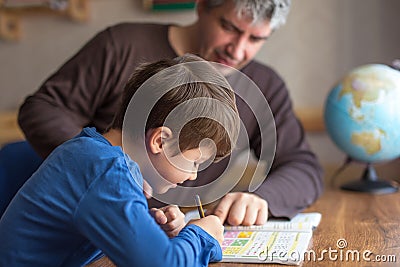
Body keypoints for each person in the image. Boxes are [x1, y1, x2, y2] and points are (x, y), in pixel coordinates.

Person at [18, 0, 324, 224]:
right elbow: (43, 108)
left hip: (174, 229)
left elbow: (302, 166)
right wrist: (104, 170)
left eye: (255, 39)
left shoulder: (265, 86)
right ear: (202, 7)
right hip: (97, 224)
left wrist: (262, 198)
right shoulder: (122, 44)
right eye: (229, 27)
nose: (238, 49)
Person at [0, 54, 240, 266]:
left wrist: (151, 233)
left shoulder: (91, 151)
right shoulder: (106, 172)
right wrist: (201, 236)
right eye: (195, 162)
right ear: (160, 141)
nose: (193, 175)